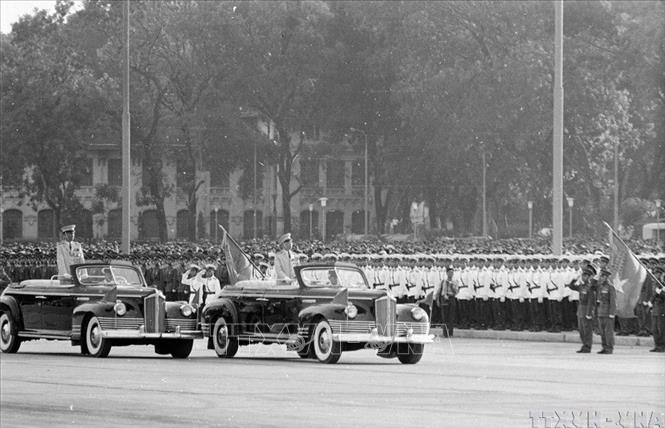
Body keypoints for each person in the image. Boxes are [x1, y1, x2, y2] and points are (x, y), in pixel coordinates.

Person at [567, 265, 597, 353]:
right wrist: (575, 279)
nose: (584, 277)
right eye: (583, 276)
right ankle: (584, 345)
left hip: (586, 311)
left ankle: (588, 346)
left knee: (587, 330)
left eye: (586, 276)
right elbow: (571, 286)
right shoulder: (581, 286)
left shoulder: (590, 287)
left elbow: (591, 302)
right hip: (580, 310)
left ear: (589, 277)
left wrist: (589, 313)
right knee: (581, 330)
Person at [595, 268, 616, 354]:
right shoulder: (600, 286)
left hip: (608, 312)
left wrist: (612, 313)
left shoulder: (610, 287)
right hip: (601, 312)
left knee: (608, 332)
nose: (601, 278)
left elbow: (613, 301)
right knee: (602, 332)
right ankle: (604, 347)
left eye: (603, 276)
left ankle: (609, 348)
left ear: (606, 277)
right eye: (601, 276)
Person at [649, 266, 665, 352]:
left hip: (662, 308)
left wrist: (662, 293)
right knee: (654, 329)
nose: (656, 275)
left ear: (662, 274)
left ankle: (662, 346)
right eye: (655, 273)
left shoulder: (663, 284)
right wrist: (650, 302)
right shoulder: (655, 284)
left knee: (661, 328)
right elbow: (653, 295)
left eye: (658, 273)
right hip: (655, 308)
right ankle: (657, 345)